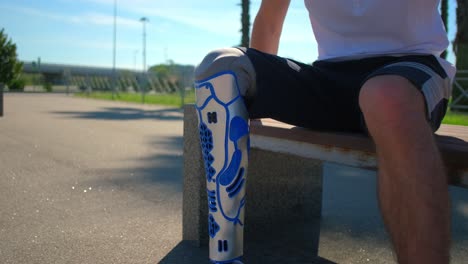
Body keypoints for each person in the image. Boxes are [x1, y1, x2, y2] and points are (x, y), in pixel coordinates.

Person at [193, 1, 455, 263]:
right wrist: (257, 104)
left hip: (409, 68)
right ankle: (225, 255)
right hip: (329, 77)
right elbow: (270, 22)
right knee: (219, 66)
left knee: (385, 96)